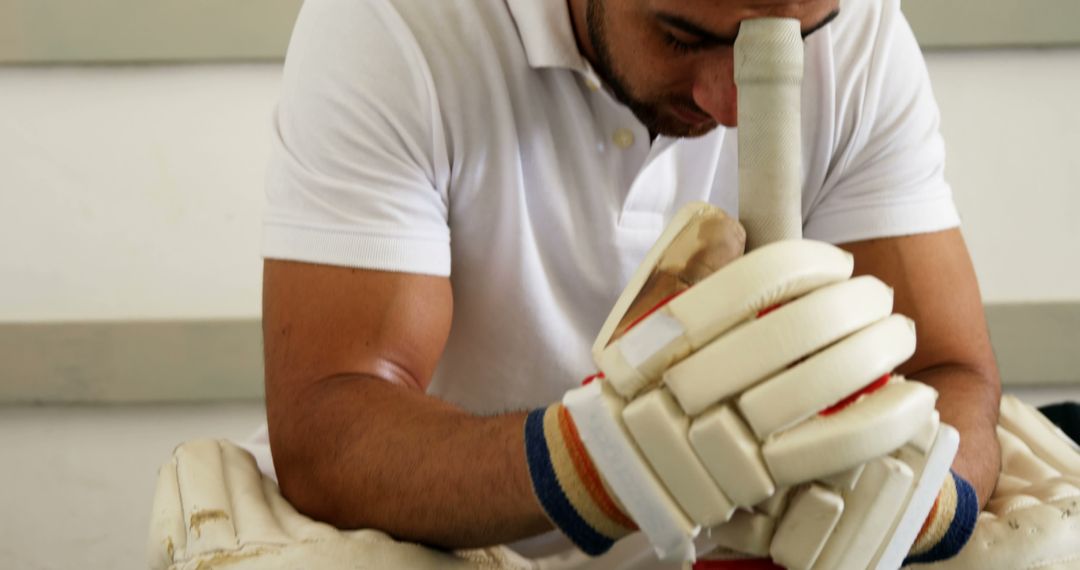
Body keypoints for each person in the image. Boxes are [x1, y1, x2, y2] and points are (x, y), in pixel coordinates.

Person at [247, 0, 1001, 566]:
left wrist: (919, 496)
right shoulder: (396, 22)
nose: (732, 105)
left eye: (794, 40)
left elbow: (948, 368)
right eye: (681, 37)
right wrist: (591, 465)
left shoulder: (856, 27)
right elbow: (327, 424)